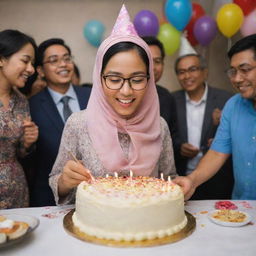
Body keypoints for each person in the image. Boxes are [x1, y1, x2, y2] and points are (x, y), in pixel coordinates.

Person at [49, 5, 176, 205]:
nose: (126, 91)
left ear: (150, 80)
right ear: (99, 79)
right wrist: (65, 181)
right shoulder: (79, 124)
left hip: (146, 230)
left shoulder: (159, 126)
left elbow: (170, 180)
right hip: (94, 230)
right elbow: (56, 180)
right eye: (114, 79)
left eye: (137, 79)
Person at [174, 34, 256, 200]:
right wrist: (192, 180)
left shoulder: (222, 98)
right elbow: (217, 153)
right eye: (233, 71)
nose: (237, 79)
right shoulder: (233, 105)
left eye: (245, 69)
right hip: (241, 208)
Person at [26, 38, 91, 206]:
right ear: (40, 70)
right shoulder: (31, 105)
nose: (63, 64)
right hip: (49, 196)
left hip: (94, 191)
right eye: (54, 60)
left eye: (67, 58)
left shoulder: (92, 96)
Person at [171, 36, 234, 200]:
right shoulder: (172, 100)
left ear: (204, 72)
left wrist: (218, 137)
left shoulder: (226, 100)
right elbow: (167, 134)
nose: (187, 76)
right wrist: (179, 146)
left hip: (217, 180)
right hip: (182, 177)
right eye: (181, 72)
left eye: (193, 69)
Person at [0, 29, 38, 209]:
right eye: (25, 60)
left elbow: (20, 153)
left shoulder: (22, 101)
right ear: (1, 59)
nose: (31, 69)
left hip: (15, 188)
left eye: (32, 63)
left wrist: (27, 143)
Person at [142, 36, 178, 140]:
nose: (152, 67)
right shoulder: (125, 93)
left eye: (157, 61)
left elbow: (173, 136)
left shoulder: (167, 97)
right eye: (147, 60)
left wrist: (181, 147)